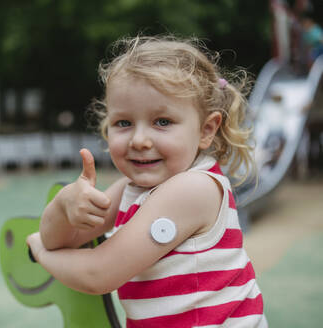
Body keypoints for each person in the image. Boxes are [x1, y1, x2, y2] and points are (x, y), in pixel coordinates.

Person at [27, 35, 267, 327]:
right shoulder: (132, 190)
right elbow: (61, 241)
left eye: (162, 122)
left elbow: (98, 274)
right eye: (124, 123)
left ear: (206, 130)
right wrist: (64, 206)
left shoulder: (194, 188)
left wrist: (39, 253)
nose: (139, 140)